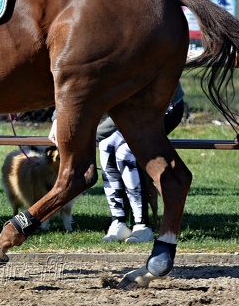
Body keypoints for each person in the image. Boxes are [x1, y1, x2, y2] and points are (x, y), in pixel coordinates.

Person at [49, 84, 185, 243]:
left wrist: (87, 134)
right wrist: (59, 118)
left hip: (162, 105)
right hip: (130, 108)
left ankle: (142, 225)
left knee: (126, 151)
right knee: (106, 146)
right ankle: (118, 222)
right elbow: (78, 82)